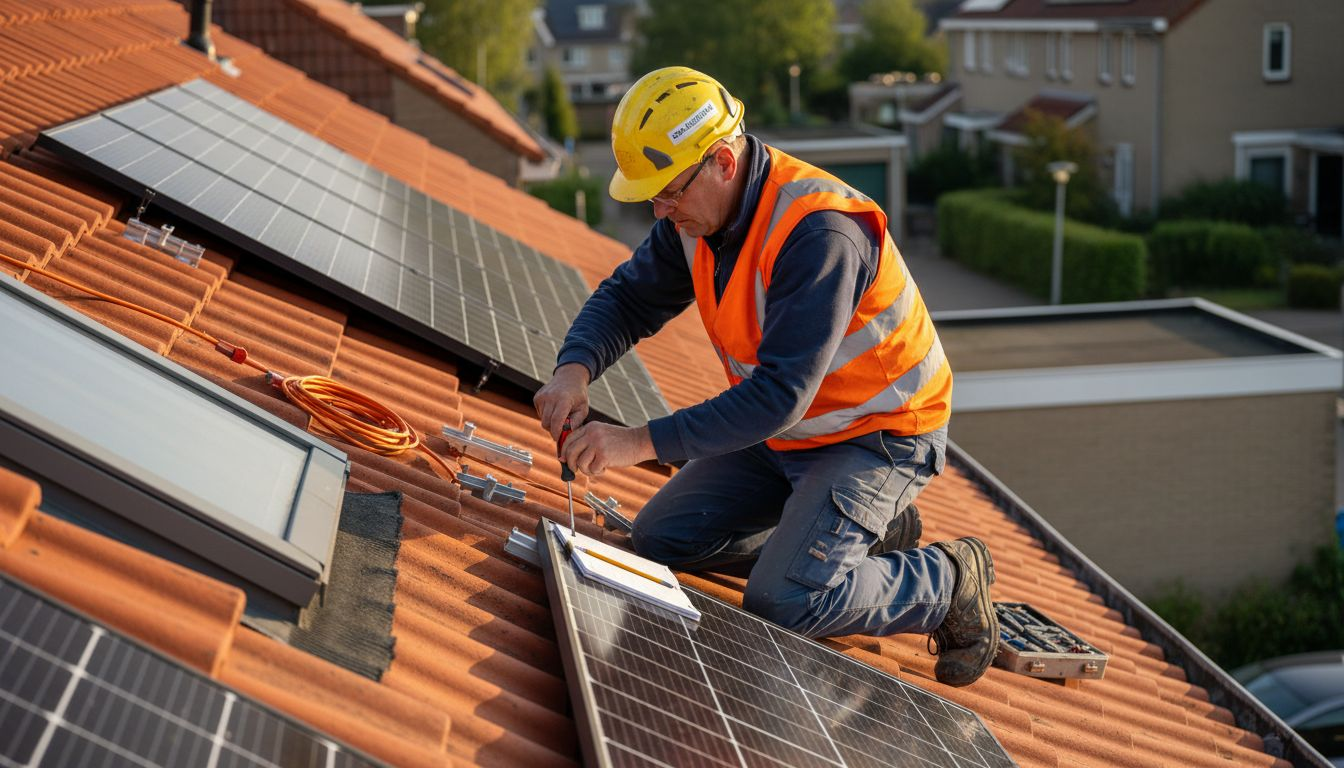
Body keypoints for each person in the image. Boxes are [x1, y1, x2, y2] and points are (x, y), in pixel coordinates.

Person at [534, 66, 997, 687]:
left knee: (783, 602)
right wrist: (573, 371)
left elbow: (781, 393)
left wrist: (634, 442)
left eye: (669, 191)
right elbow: (628, 298)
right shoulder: (694, 219)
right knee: (659, 541)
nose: (659, 210)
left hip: (877, 435)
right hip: (786, 434)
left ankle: (945, 578)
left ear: (723, 161)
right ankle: (848, 536)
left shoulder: (819, 233)